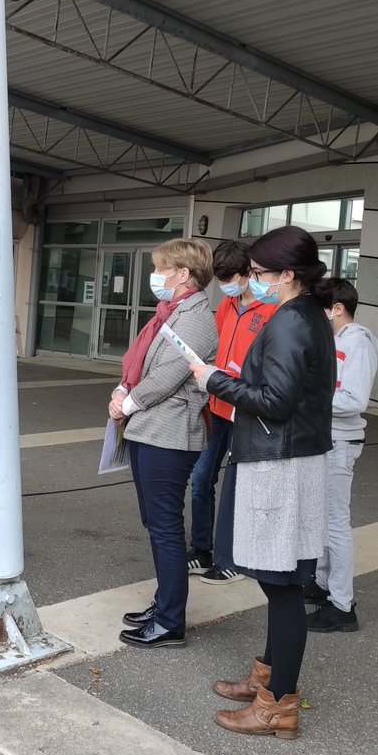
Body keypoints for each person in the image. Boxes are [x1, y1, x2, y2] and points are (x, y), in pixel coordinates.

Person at [188, 225, 335, 739]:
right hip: (290, 456)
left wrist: (215, 380)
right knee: (280, 579)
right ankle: (268, 678)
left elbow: (275, 401)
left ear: (287, 274)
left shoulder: (291, 320)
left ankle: (277, 706)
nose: (252, 281)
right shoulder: (306, 313)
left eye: (258, 273)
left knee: (281, 583)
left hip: (280, 462)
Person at [112, 239, 218, 647]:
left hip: (171, 434)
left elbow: (167, 375)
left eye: (161, 268)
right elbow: (140, 365)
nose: (155, 275)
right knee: (156, 524)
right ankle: (164, 604)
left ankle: (171, 621)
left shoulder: (195, 319)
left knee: (166, 527)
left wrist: (127, 402)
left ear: (183, 274)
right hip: (150, 430)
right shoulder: (169, 312)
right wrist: (121, 390)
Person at [190, 240, 278, 586]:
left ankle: (234, 559)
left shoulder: (271, 308)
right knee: (201, 478)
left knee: (238, 487)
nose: (225, 285)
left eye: (230, 278)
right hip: (218, 404)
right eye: (221, 279)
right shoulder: (227, 304)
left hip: (247, 408)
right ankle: (202, 549)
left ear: (248, 272)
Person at [305, 277, 378, 633]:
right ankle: (323, 584)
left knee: (336, 523)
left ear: (337, 309)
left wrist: (305, 398)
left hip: (341, 441)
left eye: (318, 309)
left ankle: (342, 605)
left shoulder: (359, 342)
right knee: (323, 519)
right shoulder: (333, 339)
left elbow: (354, 399)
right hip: (324, 438)